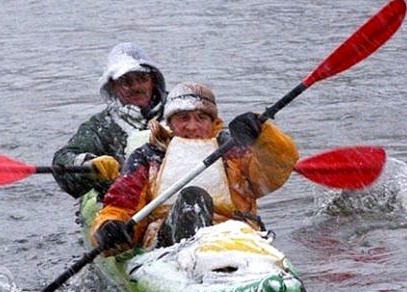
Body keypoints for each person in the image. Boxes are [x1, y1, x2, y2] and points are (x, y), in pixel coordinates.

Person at [90, 81, 299, 256]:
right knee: (193, 198)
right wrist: (111, 227)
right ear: (170, 123)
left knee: (200, 202)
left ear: (213, 121)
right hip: (168, 245)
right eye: (183, 118)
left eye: (201, 118)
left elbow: (276, 170)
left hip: (237, 239)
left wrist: (263, 136)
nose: (192, 126)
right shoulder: (148, 156)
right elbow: (122, 204)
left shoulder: (232, 151)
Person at [52, 42, 167, 198]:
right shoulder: (101, 127)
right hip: (121, 199)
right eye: (127, 82)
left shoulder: (179, 113)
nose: (136, 87)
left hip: (171, 191)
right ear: (113, 86)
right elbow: (63, 158)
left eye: (142, 78)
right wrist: (88, 164)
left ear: (153, 80)